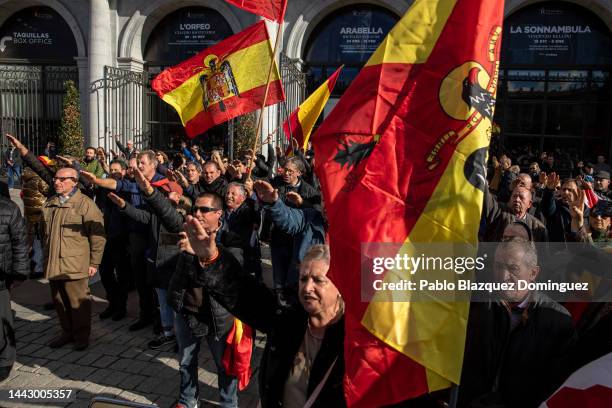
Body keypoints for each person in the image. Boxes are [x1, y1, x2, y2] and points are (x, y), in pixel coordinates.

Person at [180, 216, 345, 408]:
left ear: (340, 285)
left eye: (318, 280)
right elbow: (246, 295)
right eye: (303, 279)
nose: (307, 287)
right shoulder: (289, 319)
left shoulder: (355, 339)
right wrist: (211, 258)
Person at [460, 240, 575, 407]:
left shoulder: (559, 322)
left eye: (513, 269)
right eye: (498, 266)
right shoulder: (475, 305)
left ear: (533, 273)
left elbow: (556, 387)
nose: (503, 276)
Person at [81, 150, 165, 331]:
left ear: (153, 164)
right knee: (140, 280)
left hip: (157, 239)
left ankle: (161, 321)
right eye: (137, 163)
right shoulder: (133, 184)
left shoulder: (163, 183)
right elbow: (115, 184)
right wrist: (96, 180)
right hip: (136, 237)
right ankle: (145, 316)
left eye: (142, 163)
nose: (138, 166)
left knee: (157, 282)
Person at [168, 192, 238, 408]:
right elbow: (164, 213)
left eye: (204, 210)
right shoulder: (187, 233)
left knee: (224, 365)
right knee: (186, 360)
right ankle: (188, 399)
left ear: (219, 213)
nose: (197, 213)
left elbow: (233, 277)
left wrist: (205, 256)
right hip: (187, 310)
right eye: (195, 209)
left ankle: (228, 403)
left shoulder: (231, 238)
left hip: (218, 315)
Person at [42, 166, 106, 350]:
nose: (57, 182)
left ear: (74, 182)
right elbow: (43, 232)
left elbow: (98, 235)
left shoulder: (85, 204)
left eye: (62, 179)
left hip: (75, 264)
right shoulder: (50, 203)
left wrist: (95, 262)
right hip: (54, 263)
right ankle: (67, 332)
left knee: (78, 303)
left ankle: (81, 336)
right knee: (59, 301)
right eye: (56, 178)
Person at [0, 176, 28, 380]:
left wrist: (19, 272)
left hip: (2, 275)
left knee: (3, 319)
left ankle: (5, 359)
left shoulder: (10, 209)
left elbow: (20, 243)